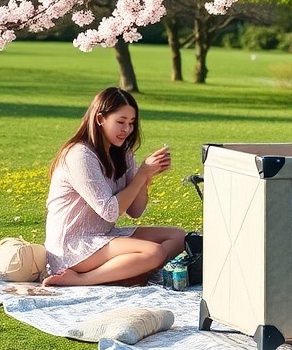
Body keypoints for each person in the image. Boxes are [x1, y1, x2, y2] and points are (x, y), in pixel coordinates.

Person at [42, 87, 186, 287]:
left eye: (131, 123)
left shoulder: (122, 153)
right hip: (73, 246)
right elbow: (110, 212)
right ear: (100, 119)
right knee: (153, 252)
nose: (126, 130)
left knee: (179, 237)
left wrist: (146, 177)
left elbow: (135, 211)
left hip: (103, 236)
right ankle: (81, 279)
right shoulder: (80, 155)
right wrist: (142, 173)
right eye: (120, 122)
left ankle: (127, 269)